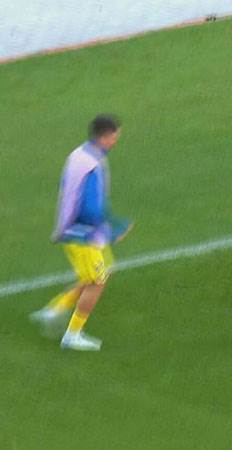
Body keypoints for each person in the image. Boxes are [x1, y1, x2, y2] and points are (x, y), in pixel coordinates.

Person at [30, 114, 132, 351]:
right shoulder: (94, 165)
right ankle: (72, 335)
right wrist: (115, 228)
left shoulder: (79, 154)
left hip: (73, 229)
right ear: (105, 136)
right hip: (83, 235)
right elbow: (91, 208)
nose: (116, 141)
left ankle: (54, 310)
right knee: (97, 282)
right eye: (115, 136)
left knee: (99, 272)